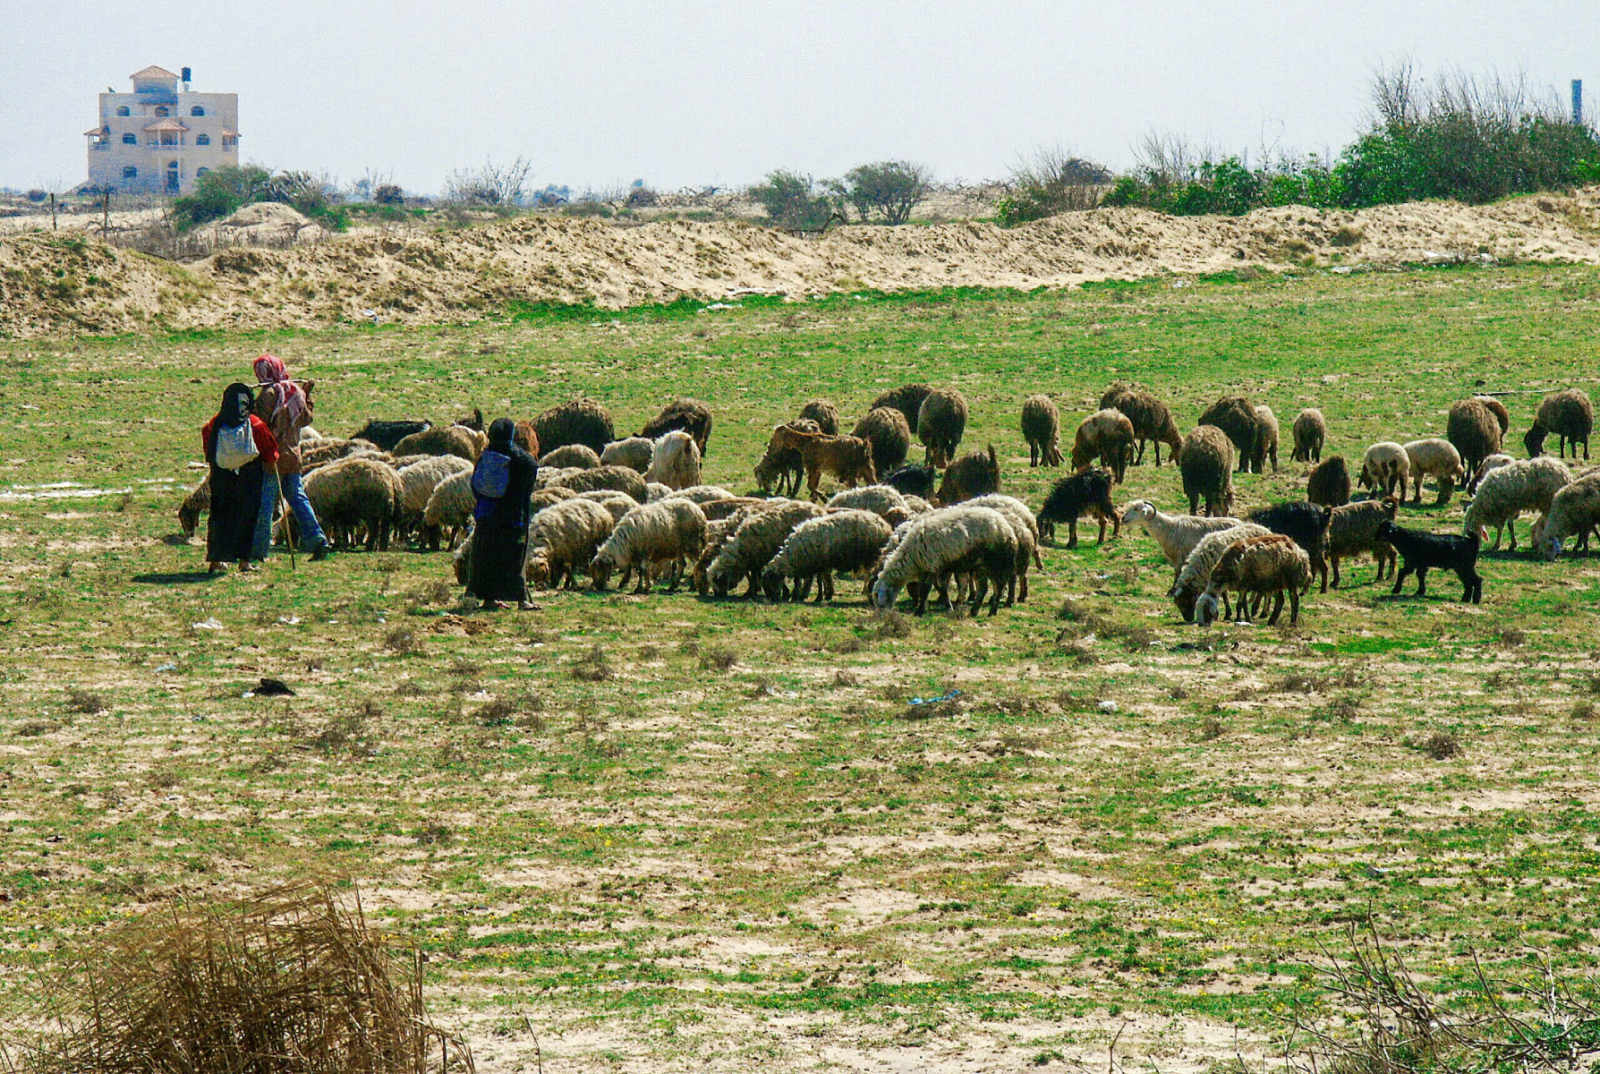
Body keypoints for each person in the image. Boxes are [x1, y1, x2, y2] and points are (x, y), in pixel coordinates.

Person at [252, 353, 330, 561]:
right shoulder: (295, 393)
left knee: (266, 504)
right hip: (293, 458)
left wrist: (252, 406)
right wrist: (308, 395)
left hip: (272, 458)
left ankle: (258, 551)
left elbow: (259, 423)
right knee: (298, 499)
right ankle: (317, 539)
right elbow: (306, 419)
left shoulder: (269, 394)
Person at [201, 383, 278, 574]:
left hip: (221, 476)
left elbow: (208, 444)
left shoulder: (215, 424)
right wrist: (272, 460)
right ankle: (244, 561)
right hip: (249, 476)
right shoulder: (254, 423)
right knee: (247, 516)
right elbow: (269, 448)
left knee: (219, 516)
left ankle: (216, 559)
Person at [467, 417, 538, 610]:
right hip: (512, 518)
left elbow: (475, 484)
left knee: (487, 558)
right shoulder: (523, 460)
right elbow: (528, 480)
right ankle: (522, 600)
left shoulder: (486, 457)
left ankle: (489, 599)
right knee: (515, 559)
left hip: (487, 516)